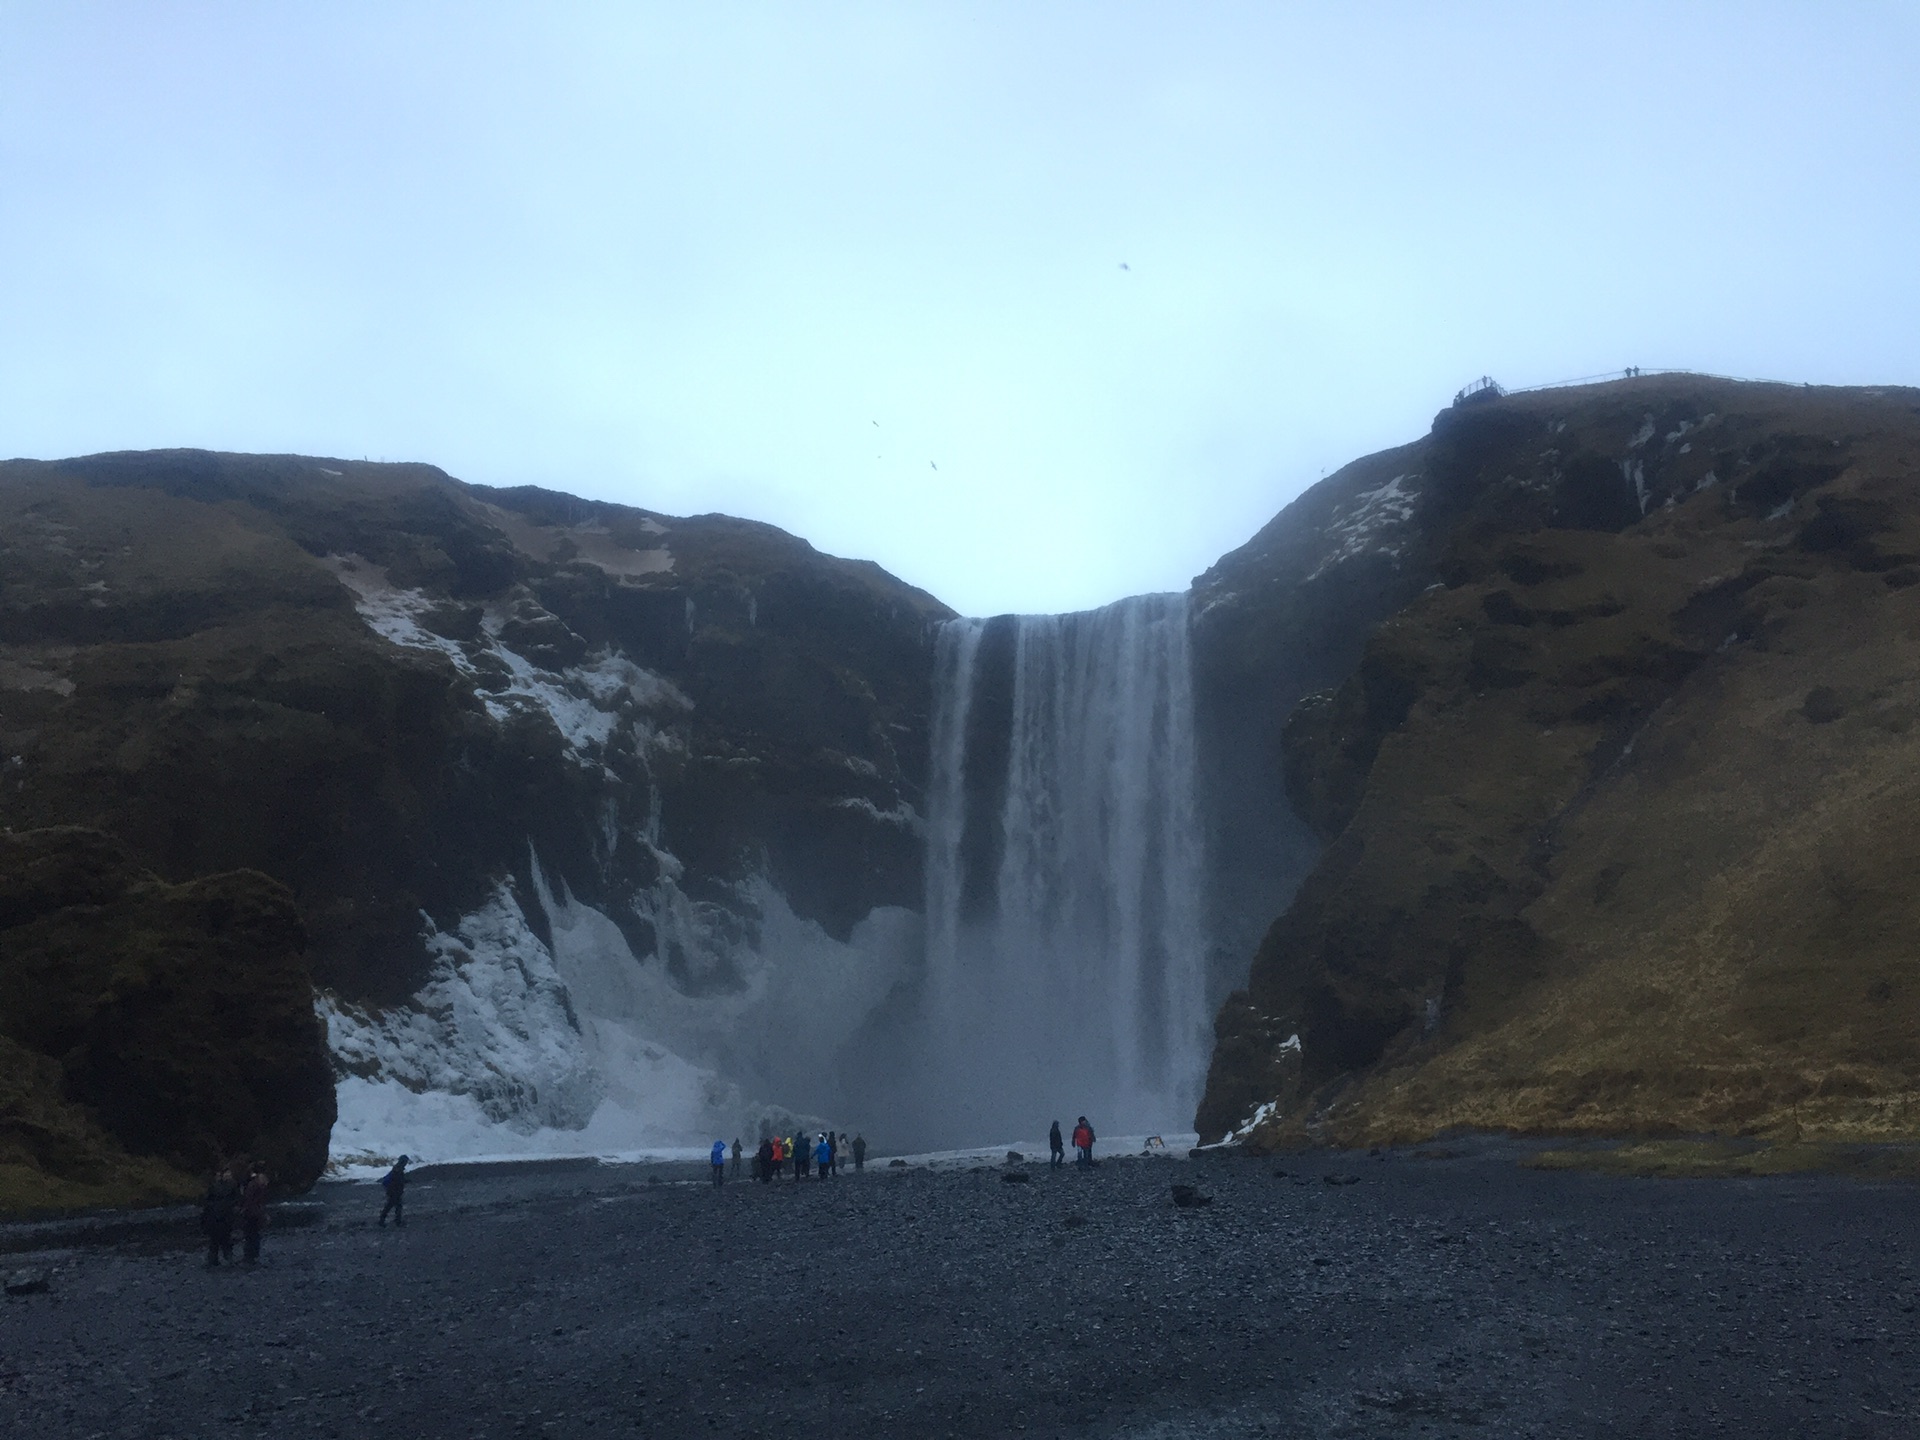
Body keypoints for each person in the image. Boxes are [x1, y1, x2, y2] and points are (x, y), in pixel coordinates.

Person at [200, 1166, 238, 1268]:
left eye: (229, 1174)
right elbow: (207, 1201)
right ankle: (217, 1260)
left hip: (223, 1216)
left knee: (223, 1239)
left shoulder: (231, 1185)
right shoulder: (215, 1186)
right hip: (217, 1216)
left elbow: (237, 1199)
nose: (228, 1176)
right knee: (217, 1240)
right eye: (226, 1174)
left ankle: (222, 1259)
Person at [240, 1163, 269, 1263]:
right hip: (258, 1212)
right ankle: (254, 1255)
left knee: (249, 1235)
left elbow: (248, 1199)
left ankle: (249, 1256)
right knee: (255, 1234)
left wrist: (243, 1209)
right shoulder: (262, 1182)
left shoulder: (252, 1183)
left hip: (251, 1213)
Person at [379, 1155, 410, 1227]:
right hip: (394, 1191)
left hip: (393, 1191)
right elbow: (397, 1180)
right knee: (394, 1206)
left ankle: (384, 1220)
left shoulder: (397, 1168)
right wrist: (405, 1181)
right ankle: (395, 1222)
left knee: (392, 1205)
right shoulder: (398, 1169)